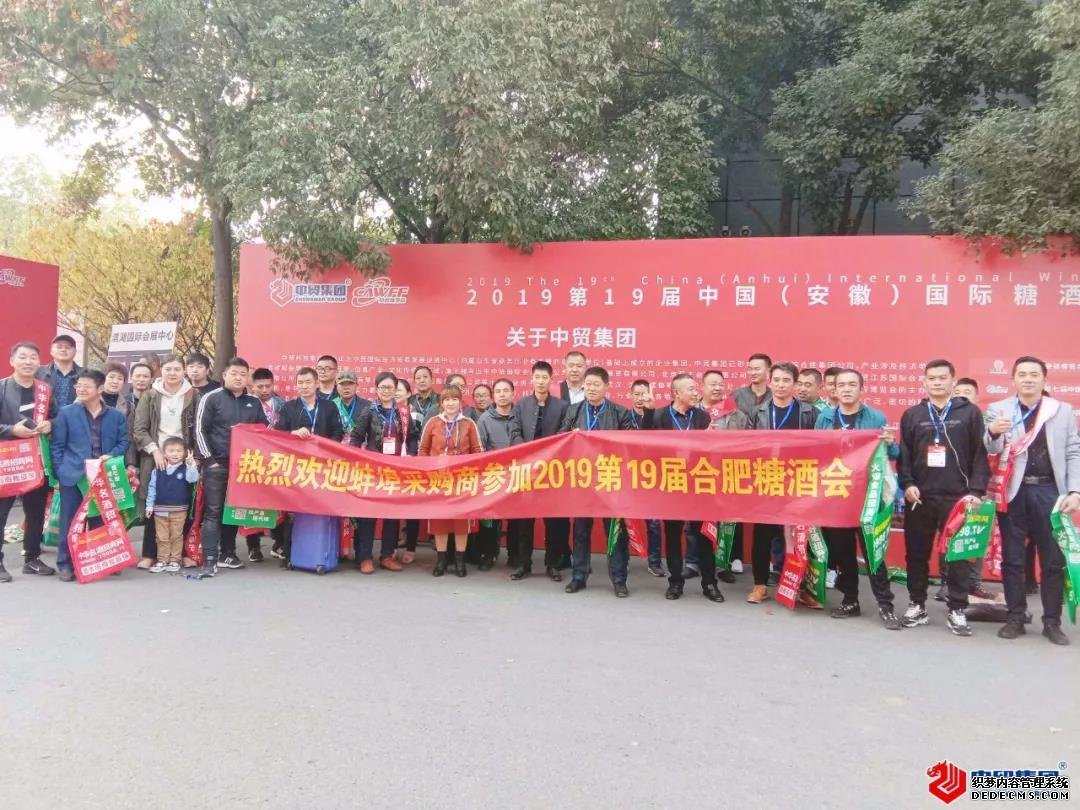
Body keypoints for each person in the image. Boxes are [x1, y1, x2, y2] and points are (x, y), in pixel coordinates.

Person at [985, 356, 1080, 646]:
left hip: (1050, 491)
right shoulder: (998, 409)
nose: (1028, 379)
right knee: (1013, 559)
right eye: (1022, 374)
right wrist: (994, 432)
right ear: (1013, 379)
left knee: (1053, 560)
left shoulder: (1061, 410)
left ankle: (1052, 622)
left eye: (1034, 374)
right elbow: (990, 448)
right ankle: (1015, 617)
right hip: (1013, 492)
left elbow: (1073, 451)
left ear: (1044, 379)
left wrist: (1075, 491)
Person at [898, 359, 990, 637]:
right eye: (932, 378)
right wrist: (908, 484)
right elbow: (904, 455)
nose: (937, 383)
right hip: (920, 497)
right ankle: (917, 605)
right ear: (924, 382)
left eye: (942, 378)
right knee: (916, 554)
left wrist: (975, 492)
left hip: (959, 498)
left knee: (958, 557)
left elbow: (980, 455)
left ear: (953, 381)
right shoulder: (913, 414)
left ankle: (957, 609)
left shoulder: (970, 413)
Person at [814, 369, 902, 629]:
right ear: (834, 389)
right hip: (837, 495)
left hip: (867, 496)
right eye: (841, 385)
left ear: (861, 389)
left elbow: (893, 454)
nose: (846, 389)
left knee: (873, 552)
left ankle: (885, 605)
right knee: (843, 553)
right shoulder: (825, 418)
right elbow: (816, 454)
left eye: (852, 384)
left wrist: (889, 442)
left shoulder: (875, 417)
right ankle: (850, 600)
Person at [559, 366, 637, 597]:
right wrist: (570, 435)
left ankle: (619, 579)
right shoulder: (574, 410)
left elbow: (630, 444)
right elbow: (560, 439)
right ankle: (579, 576)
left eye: (596, 384)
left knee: (615, 532)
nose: (591, 389)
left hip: (609, 479)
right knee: (581, 530)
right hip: (582, 480)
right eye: (588, 384)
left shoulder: (620, 412)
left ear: (606, 386)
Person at [746, 362, 819, 603]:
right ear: (770, 382)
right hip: (767, 480)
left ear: (795, 384)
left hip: (798, 481)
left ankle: (801, 587)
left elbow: (821, 447)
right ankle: (759, 585)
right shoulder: (758, 412)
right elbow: (747, 446)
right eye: (776, 380)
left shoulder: (809, 413)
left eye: (786, 380)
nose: (780, 385)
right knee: (762, 536)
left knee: (799, 537)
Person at [651, 373, 724, 603]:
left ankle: (710, 584)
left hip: (698, 484)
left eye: (695, 388)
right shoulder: (660, 416)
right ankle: (675, 582)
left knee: (703, 536)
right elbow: (646, 446)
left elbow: (709, 451)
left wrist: (710, 440)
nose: (695, 392)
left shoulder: (702, 417)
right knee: (673, 536)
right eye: (690, 389)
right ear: (676, 393)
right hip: (671, 484)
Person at [51, 369, 129, 582]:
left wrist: (111, 455)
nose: (81, 389)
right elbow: (57, 446)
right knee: (70, 521)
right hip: (73, 476)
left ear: (100, 388)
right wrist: (61, 472)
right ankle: (66, 564)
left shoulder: (115, 415)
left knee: (100, 520)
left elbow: (123, 442)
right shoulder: (66, 413)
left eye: (87, 386)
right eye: (79, 386)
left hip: (102, 474)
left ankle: (101, 559)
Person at [194, 357, 267, 576]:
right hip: (217, 464)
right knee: (213, 512)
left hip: (243, 467)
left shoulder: (254, 402)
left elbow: (264, 433)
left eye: (243, 374)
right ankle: (209, 559)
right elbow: (199, 430)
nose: (238, 378)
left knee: (233, 510)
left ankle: (228, 553)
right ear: (224, 375)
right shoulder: (211, 397)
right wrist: (210, 461)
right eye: (234, 373)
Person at [933, 377, 995, 603]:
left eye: (967, 392)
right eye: (957, 391)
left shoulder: (988, 422)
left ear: (977, 397)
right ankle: (946, 582)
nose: (961, 395)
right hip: (952, 489)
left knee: (975, 535)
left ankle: (973, 583)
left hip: (980, 487)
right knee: (948, 536)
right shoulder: (945, 421)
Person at [0, 342, 58, 581]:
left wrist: (50, 424)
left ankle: (32, 558)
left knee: (35, 512)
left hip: (36, 461)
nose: (28, 361)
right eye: (22, 357)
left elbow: (55, 416)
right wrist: (11, 430)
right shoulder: (1, 388)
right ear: (12, 361)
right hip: (7, 462)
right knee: (1, 512)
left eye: (33, 357)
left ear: (39, 362)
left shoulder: (45, 390)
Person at [132, 355, 196, 569]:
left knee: (184, 503)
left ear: (183, 371)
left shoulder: (193, 395)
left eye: (177, 369)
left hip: (183, 456)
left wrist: (192, 456)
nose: (172, 373)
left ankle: (182, 553)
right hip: (156, 455)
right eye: (168, 369)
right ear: (161, 371)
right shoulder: (150, 395)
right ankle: (150, 554)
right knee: (155, 504)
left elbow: (198, 427)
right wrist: (155, 451)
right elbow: (139, 429)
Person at [513, 360, 570, 581]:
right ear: (531, 379)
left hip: (551, 471)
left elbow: (564, 433)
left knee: (553, 523)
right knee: (524, 522)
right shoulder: (521, 405)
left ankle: (552, 564)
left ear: (550, 380)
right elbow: (515, 432)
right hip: (527, 471)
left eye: (544, 377)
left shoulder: (561, 406)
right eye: (537, 377)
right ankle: (523, 564)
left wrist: (547, 455)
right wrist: (527, 453)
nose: (540, 381)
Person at [418, 386, 483, 577]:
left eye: (454, 399)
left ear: (460, 402)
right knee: (440, 521)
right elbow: (423, 451)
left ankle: (460, 561)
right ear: (441, 403)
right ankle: (441, 561)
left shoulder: (469, 423)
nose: (450, 403)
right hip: (438, 481)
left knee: (460, 521)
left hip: (462, 481)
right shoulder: (433, 423)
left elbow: (478, 452)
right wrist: (429, 471)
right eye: (446, 399)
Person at [350, 372, 405, 574]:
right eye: (382, 387)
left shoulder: (403, 413)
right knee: (368, 514)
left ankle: (387, 555)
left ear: (396, 389)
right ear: (376, 389)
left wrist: (409, 457)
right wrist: (357, 460)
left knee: (392, 514)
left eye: (390, 387)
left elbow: (411, 437)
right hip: (372, 470)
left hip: (396, 470)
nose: (386, 391)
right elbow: (356, 437)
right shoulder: (369, 411)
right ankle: (365, 557)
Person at [476, 378, 525, 572]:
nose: (502, 394)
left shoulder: (521, 416)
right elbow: (480, 448)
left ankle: (515, 555)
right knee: (490, 519)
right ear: (493, 396)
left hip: (518, 474)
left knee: (517, 519)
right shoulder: (484, 419)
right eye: (498, 391)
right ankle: (488, 554)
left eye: (506, 391)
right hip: (494, 475)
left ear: (513, 394)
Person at [245, 367, 287, 562]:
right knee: (251, 503)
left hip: (276, 459)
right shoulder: (247, 403)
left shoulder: (283, 404)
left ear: (273, 385)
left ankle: (279, 543)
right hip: (253, 458)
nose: (264, 390)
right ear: (252, 386)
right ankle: (253, 547)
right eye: (260, 386)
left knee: (278, 502)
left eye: (267, 386)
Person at [144, 438, 199, 573]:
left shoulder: (186, 468)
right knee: (161, 537)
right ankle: (162, 560)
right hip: (160, 510)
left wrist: (191, 465)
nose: (175, 454)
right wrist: (149, 506)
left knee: (176, 536)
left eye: (179, 451)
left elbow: (193, 479)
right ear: (164, 453)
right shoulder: (158, 470)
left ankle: (175, 560)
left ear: (185, 453)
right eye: (171, 451)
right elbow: (152, 488)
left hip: (179, 511)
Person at [629, 379, 663, 577]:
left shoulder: (658, 417)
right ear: (630, 395)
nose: (641, 398)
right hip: (628, 474)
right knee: (623, 522)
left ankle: (655, 561)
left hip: (651, 476)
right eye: (637, 394)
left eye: (644, 394)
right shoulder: (624, 416)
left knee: (654, 522)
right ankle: (622, 561)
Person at [394, 377, 423, 563]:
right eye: (393, 389)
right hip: (390, 466)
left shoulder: (416, 414)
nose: (395, 392)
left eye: (399, 390)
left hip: (413, 467)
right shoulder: (384, 412)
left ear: (409, 394)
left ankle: (411, 547)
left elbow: (419, 439)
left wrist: (412, 456)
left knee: (413, 510)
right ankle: (392, 547)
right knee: (392, 509)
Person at [35, 334, 82, 409]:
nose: (63, 350)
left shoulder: (85, 374)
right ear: (51, 351)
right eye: (59, 347)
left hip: (75, 415)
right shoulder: (38, 372)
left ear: (75, 351)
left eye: (68, 347)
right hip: (44, 416)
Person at [732, 353, 772, 417]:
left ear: (768, 371)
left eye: (757, 369)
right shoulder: (737, 395)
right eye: (750, 369)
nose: (753, 373)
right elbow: (719, 415)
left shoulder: (774, 396)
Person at [333, 370, 370, 438]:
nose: (346, 387)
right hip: (336, 444)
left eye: (350, 384)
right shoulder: (330, 406)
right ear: (336, 386)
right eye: (342, 384)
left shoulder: (368, 406)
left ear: (357, 385)